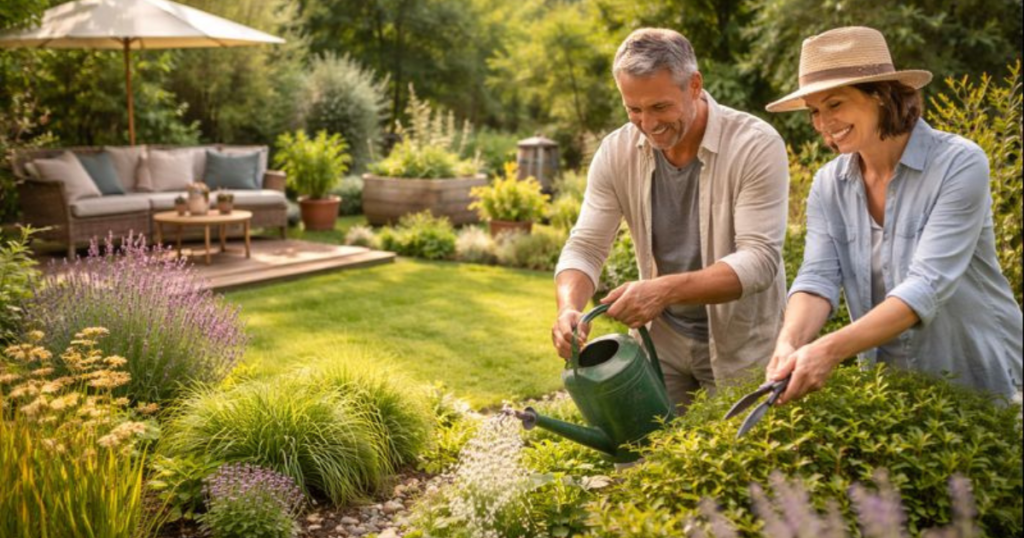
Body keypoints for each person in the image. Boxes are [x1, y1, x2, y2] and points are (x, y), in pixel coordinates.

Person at [763, 26, 1023, 404]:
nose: (822, 123)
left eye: (835, 104)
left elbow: (927, 285)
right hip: (894, 395)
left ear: (881, 95)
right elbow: (817, 277)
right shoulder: (828, 185)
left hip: (986, 382)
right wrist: (790, 342)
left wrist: (829, 350)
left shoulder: (958, 163)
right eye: (815, 111)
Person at [552, 28, 790, 410]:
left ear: (694, 85)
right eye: (634, 110)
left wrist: (662, 291)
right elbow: (586, 246)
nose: (648, 124)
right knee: (649, 445)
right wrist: (569, 308)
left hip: (742, 342)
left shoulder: (755, 145)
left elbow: (760, 260)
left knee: (740, 448)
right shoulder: (616, 152)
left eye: (660, 107)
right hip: (660, 345)